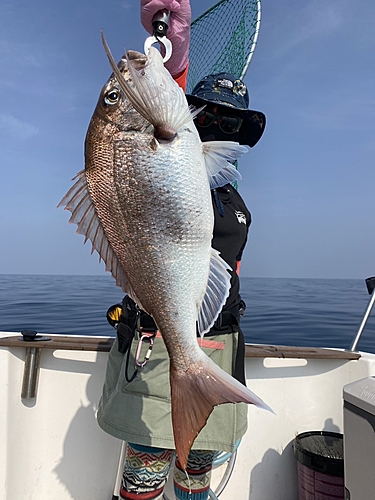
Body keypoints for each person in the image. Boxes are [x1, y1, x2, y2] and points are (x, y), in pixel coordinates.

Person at [96, 1, 266, 499]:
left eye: (235, 123)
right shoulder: (167, 144)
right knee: (143, 479)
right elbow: (156, 111)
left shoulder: (228, 192)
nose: (222, 127)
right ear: (190, 111)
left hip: (220, 349)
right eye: (211, 114)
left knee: (196, 484)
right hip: (155, 346)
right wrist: (174, 56)